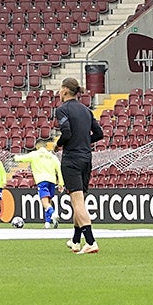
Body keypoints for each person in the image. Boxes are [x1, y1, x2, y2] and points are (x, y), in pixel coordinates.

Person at [54, 75, 105, 254]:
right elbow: (99, 134)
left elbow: (66, 132)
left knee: (77, 202)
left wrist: (58, 144)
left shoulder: (62, 110)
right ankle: (76, 240)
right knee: (79, 200)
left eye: (61, 89)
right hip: (86, 158)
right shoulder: (86, 110)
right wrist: (84, 140)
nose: (59, 92)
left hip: (72, 159)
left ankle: (90, 241)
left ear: (66, 90)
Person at [13, 135, 62, 229]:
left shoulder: (34, 154)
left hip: (41, 180)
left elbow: (22, 158)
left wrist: (14, 157)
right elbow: (59, 169)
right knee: (49, 201)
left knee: (44, 201)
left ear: (37, 146)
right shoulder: (52, 156)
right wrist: (61, 183)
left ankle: (53, 213)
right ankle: (48, 223)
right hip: (52, 181)